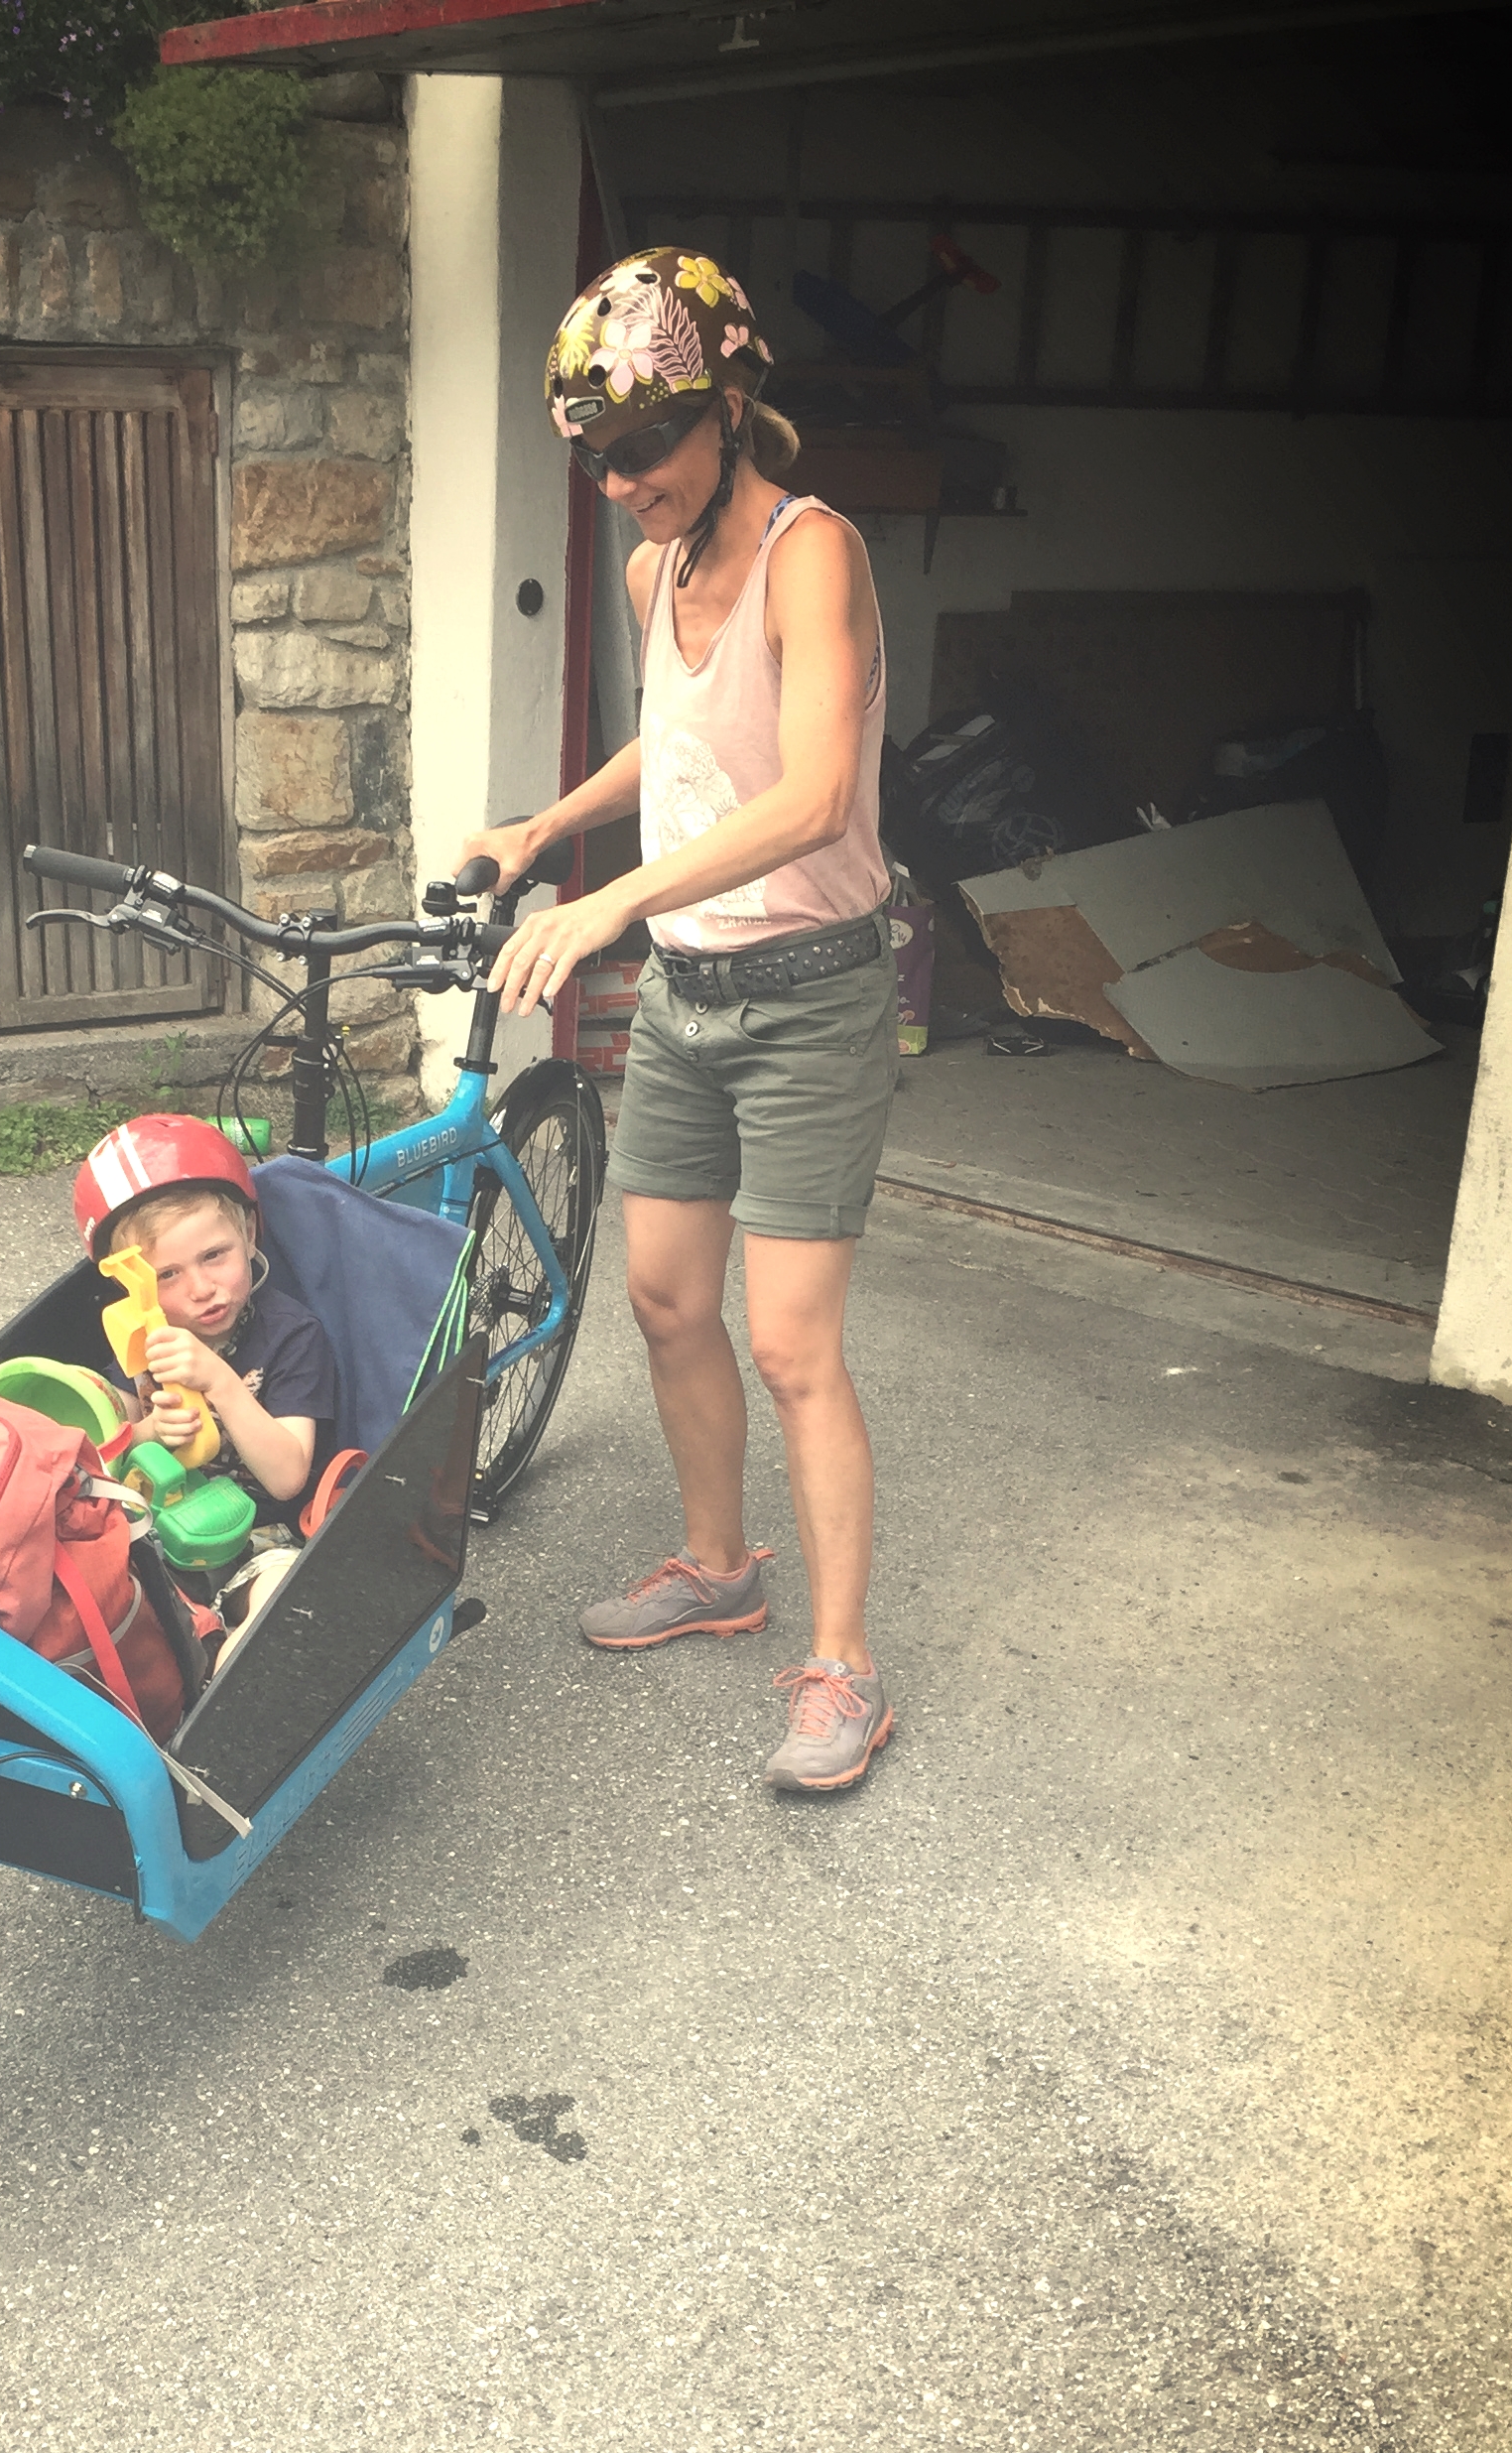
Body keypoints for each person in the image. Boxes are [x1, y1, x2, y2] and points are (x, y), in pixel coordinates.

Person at [464, 247, 899, 1796]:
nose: (620, 478)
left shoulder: (810, 554)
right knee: (661, 1299)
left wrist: (612, 905)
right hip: (691, 999)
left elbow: (807, 795)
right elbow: (673, 756)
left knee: (792, 1346)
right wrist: (543, 832)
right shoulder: (657, 573)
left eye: (645, 443)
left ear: (727, 409)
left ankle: (841, 1670)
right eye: (597, 454)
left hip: (812, 1001)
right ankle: (720, 1567)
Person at [71, 1117, 338, 1531]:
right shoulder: (140, 1333)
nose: (201, 1289)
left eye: (214, 1255)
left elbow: (287, 1479)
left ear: (248, 1234)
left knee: (269, 1584)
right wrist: (150, 1433)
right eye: (167, 1275)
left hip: (256, 1534)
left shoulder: (292, 1335)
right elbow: (106, 1444)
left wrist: (219, 1381)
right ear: (126, 1281)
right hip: (150, 1523)